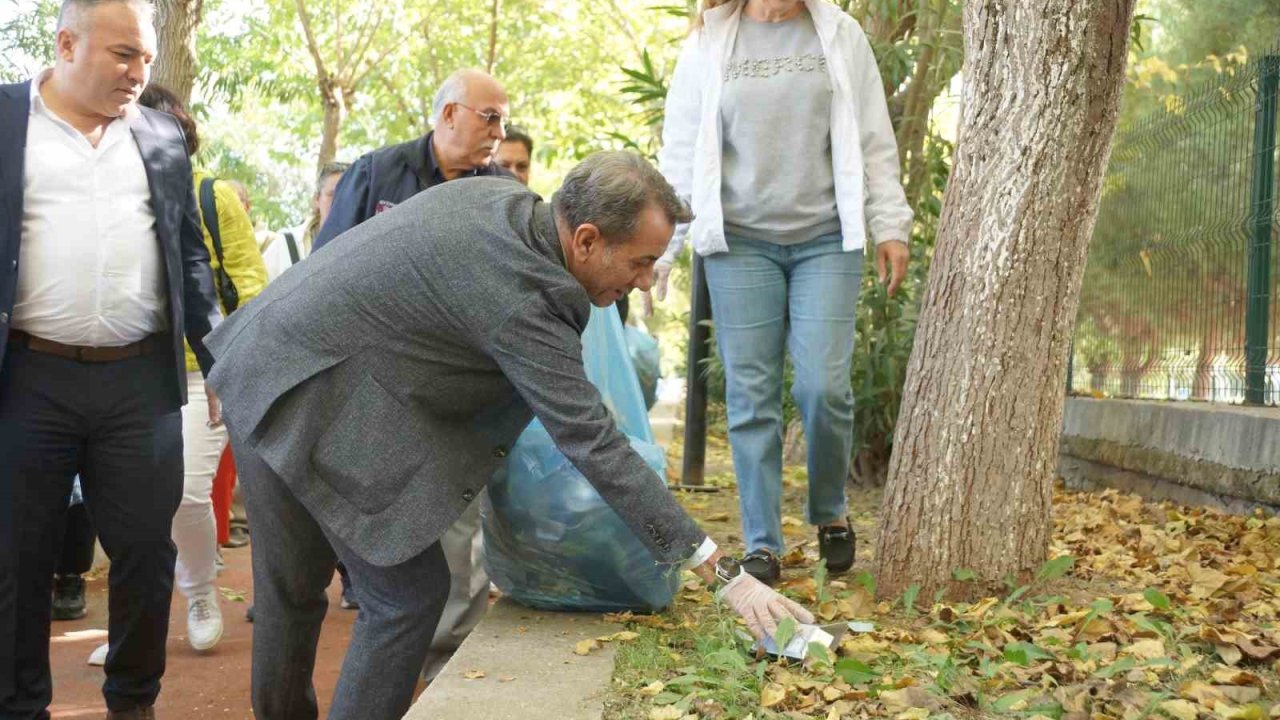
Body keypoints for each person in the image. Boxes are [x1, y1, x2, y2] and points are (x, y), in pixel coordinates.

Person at [206, 152, 812, 720]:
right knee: (406, 599)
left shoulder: (501, 202)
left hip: (265, 362)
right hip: (306, 390)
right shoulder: (523, 298)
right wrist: (721, 574)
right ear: (586, 240)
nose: (648, 281)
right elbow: (594, 443)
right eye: (640, 262)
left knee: (292, 592)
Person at [0, 0, 222, 715]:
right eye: (122, 54)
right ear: (66, 44)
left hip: (139, 383)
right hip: (26, 381)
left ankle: (133, 700)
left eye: (147, 58)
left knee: (146, 555)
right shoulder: (7, 123)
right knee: (17, 560)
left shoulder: (159, 136)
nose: (139, 72)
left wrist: (215, 358)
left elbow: (190, 253)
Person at [656, 0, 913, 585]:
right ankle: (763, 543)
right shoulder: (707, 43)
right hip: (739, 243)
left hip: (827, 238)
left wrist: (890, 224)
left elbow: (875, 139)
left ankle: (829, 510)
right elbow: (679, 154)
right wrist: (664, 248)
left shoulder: (840, 35)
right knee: (752, 399)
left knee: (824, 388)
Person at [136, 82, 268, 652]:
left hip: (198, 374)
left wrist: (230, 367)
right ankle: (131, 626)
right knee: (127, 505)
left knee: (187, 492)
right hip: (127, 371)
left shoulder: (212, 197)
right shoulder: (107, 198)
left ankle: (199, 591)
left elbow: (253, 286)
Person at [312, 68, 513, 251]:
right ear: (450, 114)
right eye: (491, 117)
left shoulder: (506, 194)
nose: (501, 133)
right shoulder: (374, 175)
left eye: (504, 122)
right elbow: (321, 271)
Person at [259, 162, 348, 281]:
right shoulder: (286, 245)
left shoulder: (361, 247)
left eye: (347, 195)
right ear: (317, 199)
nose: (338, 201)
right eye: (332, 194)